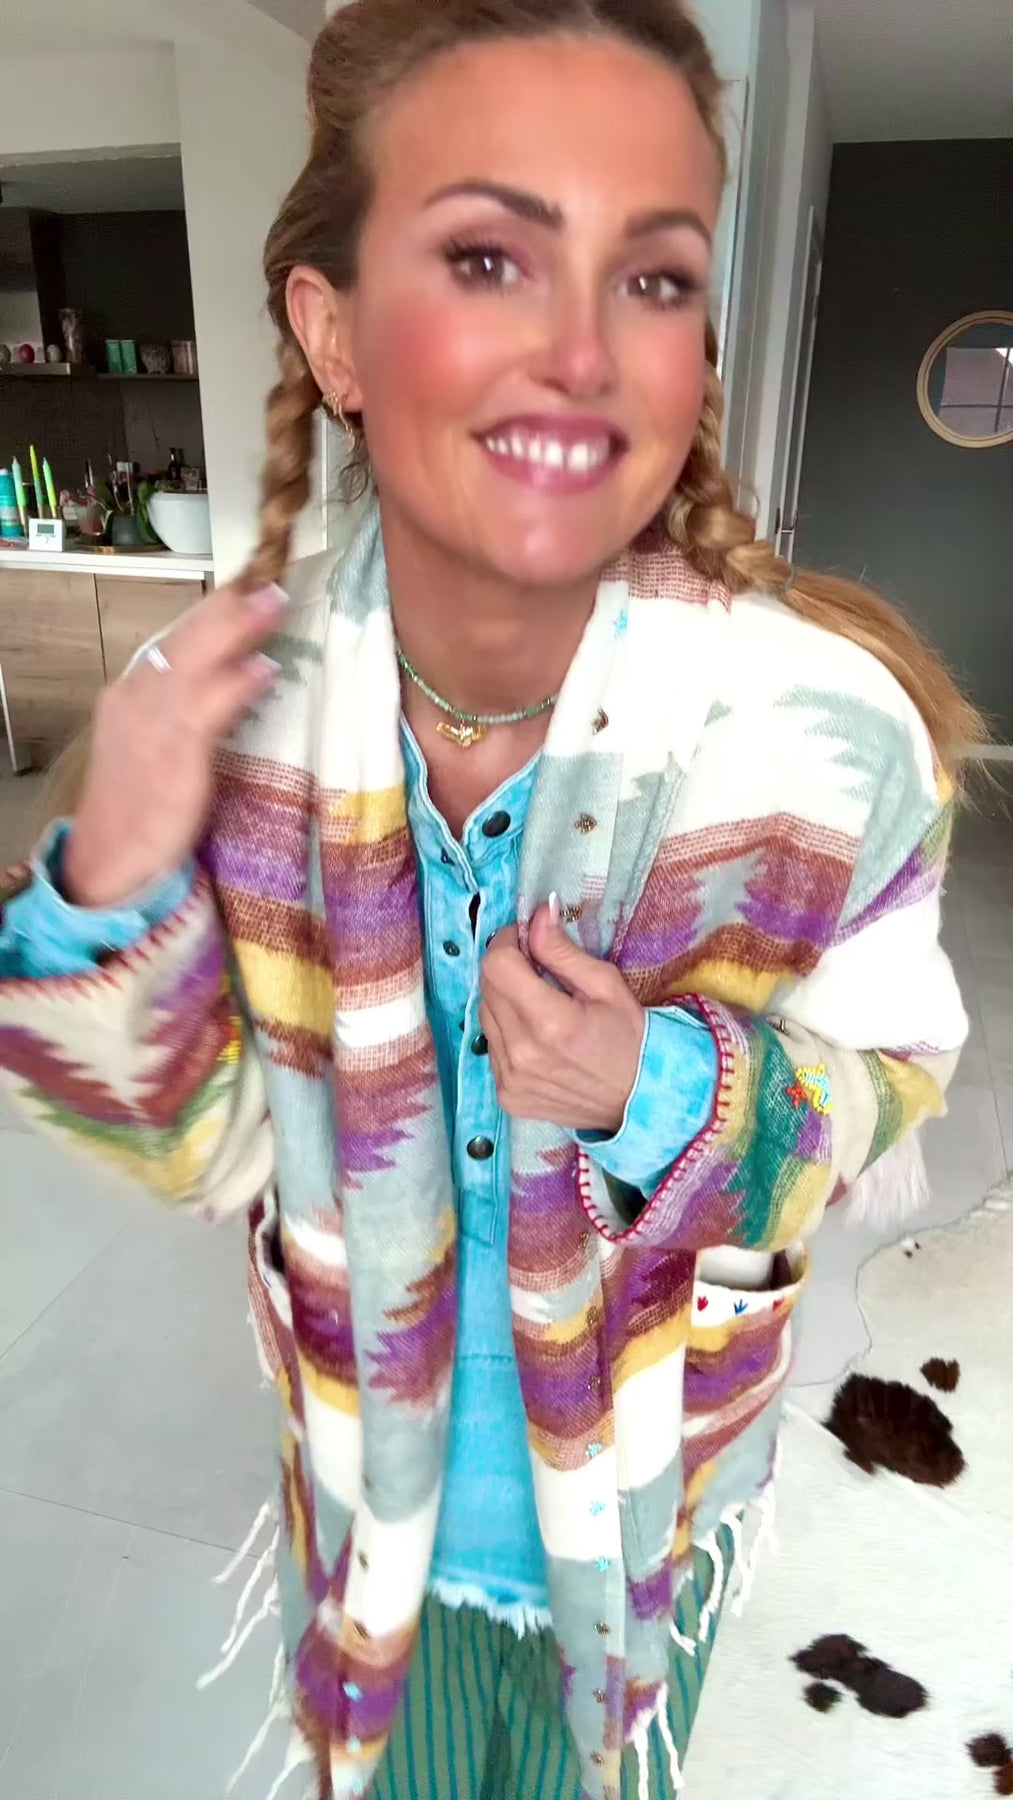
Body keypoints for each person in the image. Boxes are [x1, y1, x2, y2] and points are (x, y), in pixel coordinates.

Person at [0, 3, 982, 1796]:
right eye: (485, 258)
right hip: (359, 1494)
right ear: (336, 335)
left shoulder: (828, 743)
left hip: (654, 1495)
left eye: (651, 276)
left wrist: (656, 1090)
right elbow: (196, 1146)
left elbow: (883, 1095)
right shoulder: (220, 717)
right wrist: (105, 893)